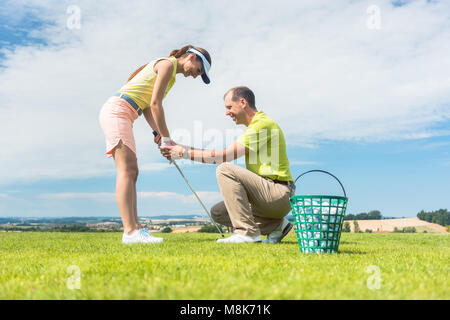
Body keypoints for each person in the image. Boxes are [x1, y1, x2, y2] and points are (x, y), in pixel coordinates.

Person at [99, 45, 212, 244]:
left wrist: (158, 134)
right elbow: (155, 104)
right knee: (127, 170)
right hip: (118, 111)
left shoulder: (172, 75)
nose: (195, 75)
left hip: (126, 113)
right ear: (193, 57)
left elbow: (148, 107)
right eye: (199, 70)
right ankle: (130, 231)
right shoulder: (167, 64)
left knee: (132, 171)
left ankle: (135, 230)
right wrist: (167, 139)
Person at [160, 86, 295, 243]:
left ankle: (247, 233)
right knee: (219, 212)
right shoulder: (255, 126)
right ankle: (277, 227)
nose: (226, 113)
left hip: (278, 194)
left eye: (229, 107)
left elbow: (224, 156)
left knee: (225, 169)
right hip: (266, 195)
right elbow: (216, 153)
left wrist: (182, 153)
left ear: (243, 102)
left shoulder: (262, 124)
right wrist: (180, 148)